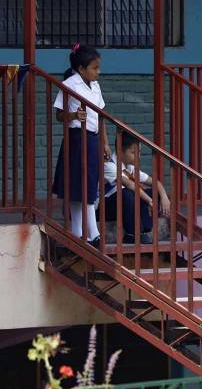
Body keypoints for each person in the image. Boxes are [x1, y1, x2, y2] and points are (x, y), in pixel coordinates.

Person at [52, 44, 111, 247]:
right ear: (81, 69)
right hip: (76, 139)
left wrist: (105, 143)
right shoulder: (69, 85)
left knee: (90, 184)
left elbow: (100, 116)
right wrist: (74, 115)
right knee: (78, 186)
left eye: (98, 67)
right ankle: (85, 233)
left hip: (93, 139)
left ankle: (86, 232)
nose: (98, 72)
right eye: (95, 68)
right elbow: (59, 115)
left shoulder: (95, 86)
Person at [103, 132, 171, 244]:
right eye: (134, 153)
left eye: (139, 152)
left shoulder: (130, 167)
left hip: (124, 207)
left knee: (154, 192)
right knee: (127, 193)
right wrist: (149, 200)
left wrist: (164, 197)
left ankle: (145, 231)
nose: (138, 156)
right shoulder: (109, 165)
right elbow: (129, 185)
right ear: (120, 151)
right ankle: (131, 234)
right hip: (106, 207)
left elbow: (155, 182)